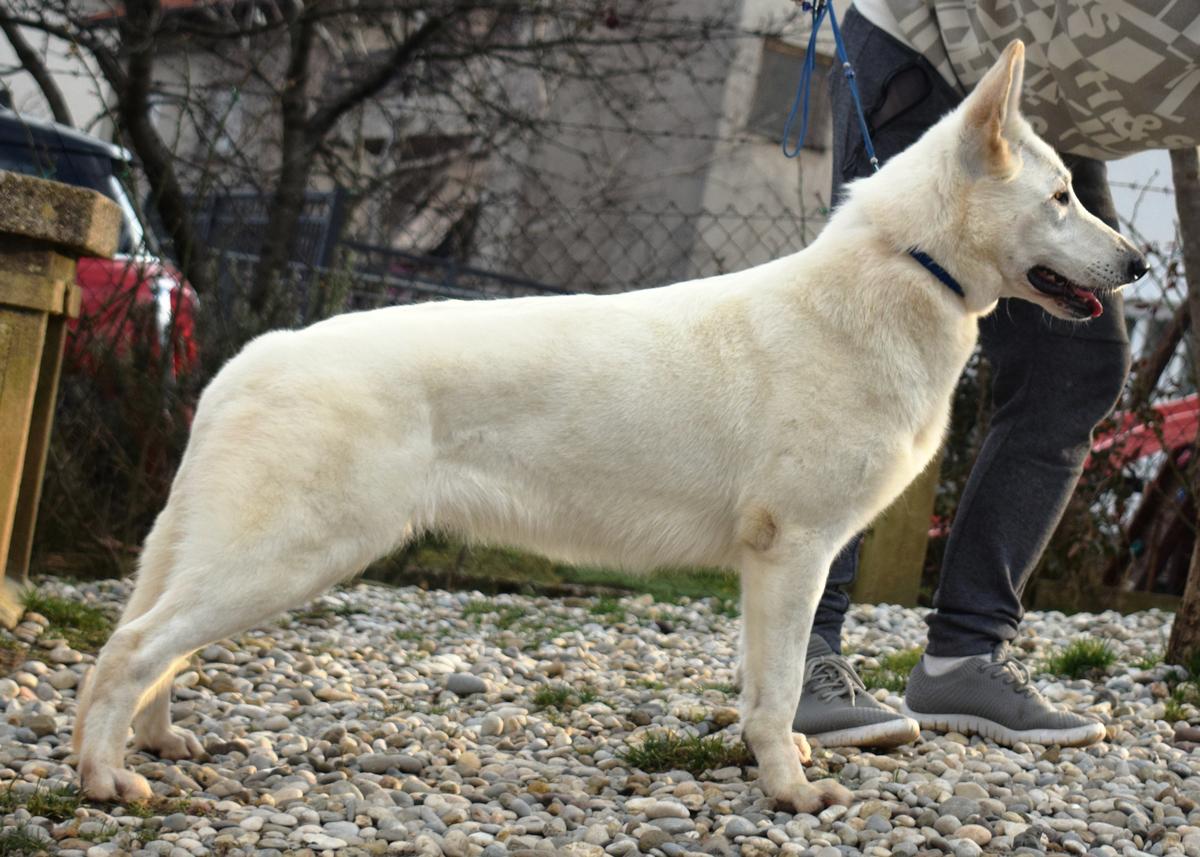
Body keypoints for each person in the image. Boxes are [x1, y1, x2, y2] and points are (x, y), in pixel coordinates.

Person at [794, 0, 1200, 749]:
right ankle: (797, 656)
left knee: (1073, 368)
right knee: (865, 350)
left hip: (1043, 117)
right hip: (925, 43)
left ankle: (963, 657)